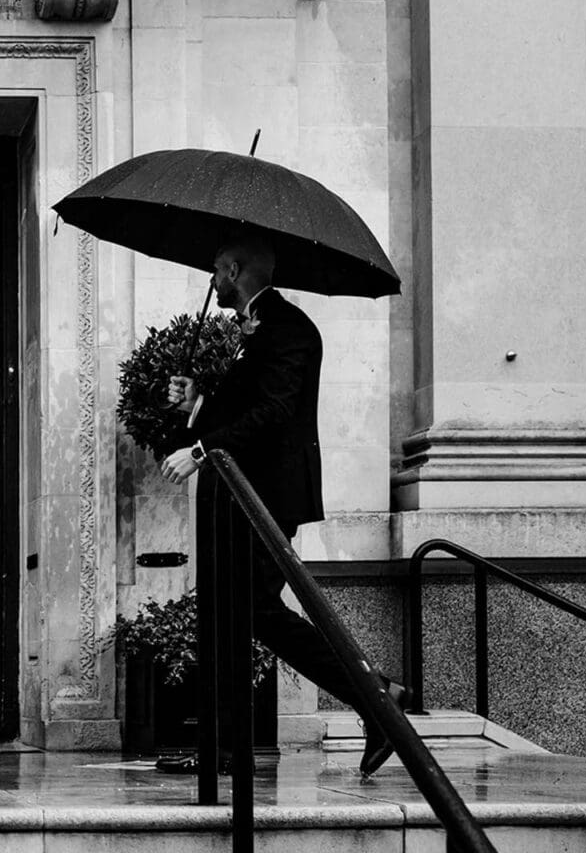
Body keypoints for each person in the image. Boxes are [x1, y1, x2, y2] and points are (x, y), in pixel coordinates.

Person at [159, 234, 410, 778]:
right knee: (230, 616)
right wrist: (198, 401)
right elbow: (243, 410)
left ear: (234, 267)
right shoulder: (253, 332)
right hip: (240, 498)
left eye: (215, 271)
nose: (212, 282)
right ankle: (226, 747)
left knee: (251, 612)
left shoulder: (289, 329)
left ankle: (377, 694)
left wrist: (200, 450)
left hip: (266, 499)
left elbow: (274, 413)